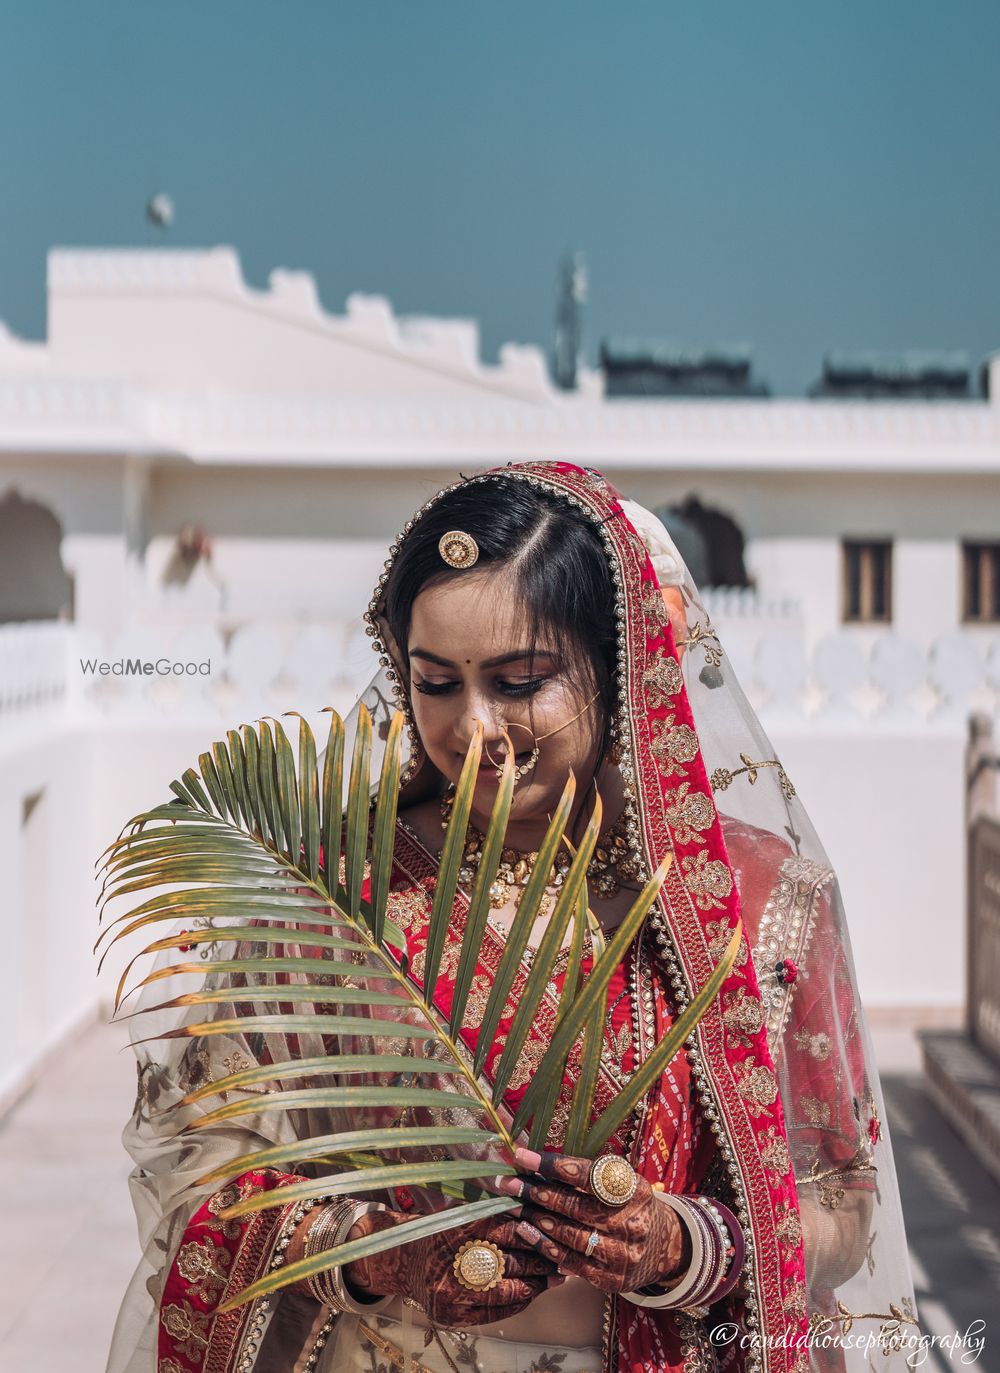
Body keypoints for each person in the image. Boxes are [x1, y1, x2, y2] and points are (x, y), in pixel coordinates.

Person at [106, 461, 917, 1373]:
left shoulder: (756, 901)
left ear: (619, 665)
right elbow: (202, 1182)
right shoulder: (335, 898)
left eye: (521, 680)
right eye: (437, 682)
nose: (476, 728)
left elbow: (843, 1203)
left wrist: (684, 1246)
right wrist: (381, 1251)